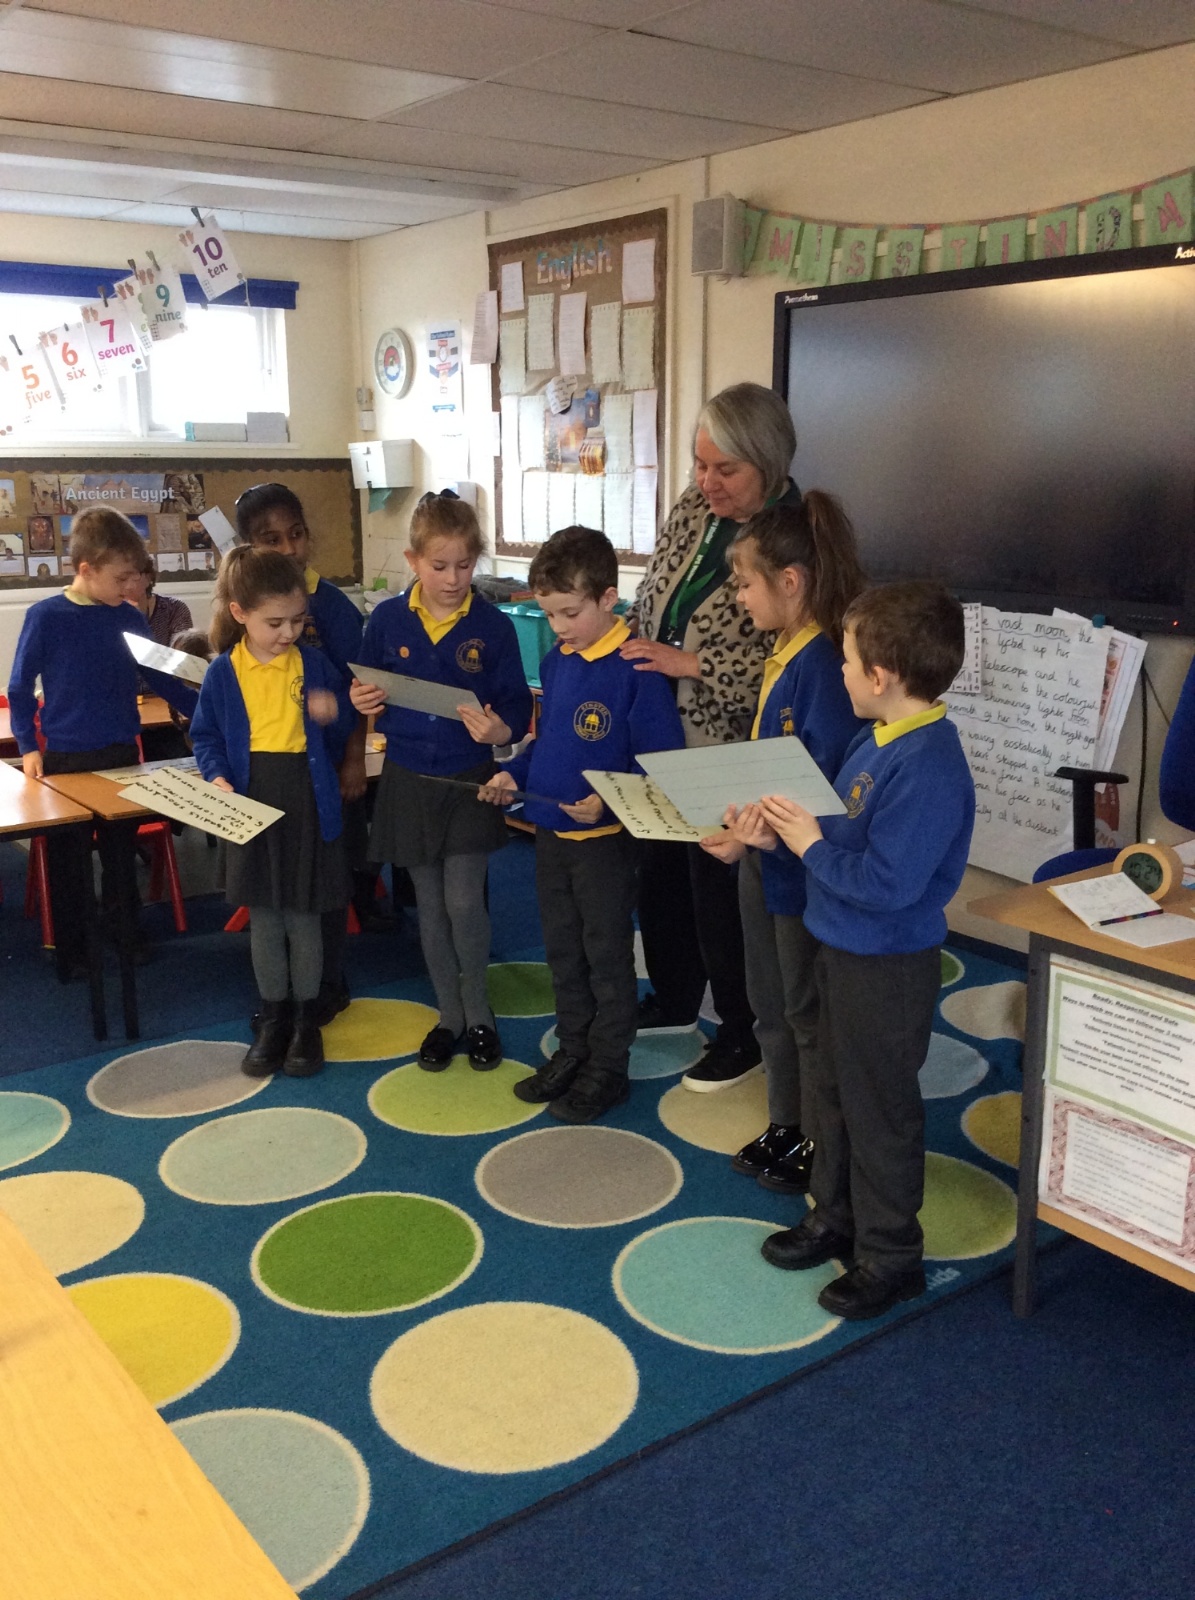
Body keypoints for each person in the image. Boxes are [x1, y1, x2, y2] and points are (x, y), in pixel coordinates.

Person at [755, 582, 974, 1321]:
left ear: (879, 677)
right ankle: (834, 1215)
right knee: (831, 1090)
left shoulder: (929, 764)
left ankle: (891, 1256)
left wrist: (808, 845)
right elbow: (833, 833)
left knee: (879, 1109)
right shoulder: (874, 738)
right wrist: (778, 835)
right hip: (838, 945)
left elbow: (887, 884)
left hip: (886, 965)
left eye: (846, 661)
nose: (840, 672)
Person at [623, 381, 801, 1091]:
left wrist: (691, 664)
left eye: (726, 469)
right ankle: (672, 996)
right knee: (660, 873)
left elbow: (794, 653)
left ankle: (739, 1029)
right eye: (699, 464)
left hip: (727, 739)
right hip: (659, 721)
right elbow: (654, 592)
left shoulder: (793, 535)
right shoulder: (693, 507)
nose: (707, 481)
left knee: (720, 894)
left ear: (769, 463)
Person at [480, 526, 685, 1123]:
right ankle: (574, 1049)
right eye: (549, 614)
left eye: (569, 613)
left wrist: (610, 804)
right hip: (551, 835)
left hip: (605, 846)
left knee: (607, 957)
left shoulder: (637, 669)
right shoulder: (557, 661)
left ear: (608, 598)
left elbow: (659, 765)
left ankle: (608, 1067)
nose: (559, 626)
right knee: (563, 952)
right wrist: (513, 773)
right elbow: (548, 745)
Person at [698, 495, 865, 1192]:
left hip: (800, 874)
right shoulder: (785, 653)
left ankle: (817, 1138)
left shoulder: (824, 663)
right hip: (764, 861)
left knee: (804, 1011)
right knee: (768, 1001)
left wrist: (762, 830)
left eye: (744, 583)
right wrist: (740, 825)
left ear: (790, 582)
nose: (738, 598)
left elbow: (823, 780)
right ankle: (784, 1121)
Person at [350, 491, 532, 1068]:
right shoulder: (386, 620)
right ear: (412, 561)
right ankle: (447, 1015)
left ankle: (478, 1015)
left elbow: (516, 704)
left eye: (464, 565)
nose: (453, 579)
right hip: (409, 777)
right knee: (428, 905)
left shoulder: (493, 627)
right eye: (439, 566)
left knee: (464, 902)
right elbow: (367, 685)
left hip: (469, 778)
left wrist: (501, 730)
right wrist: (362, 699)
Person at [7, 508, 199, 977]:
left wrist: (205, 710)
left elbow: (161, 675)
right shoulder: (45, 617)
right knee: (68, 860)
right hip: (66, 759)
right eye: (121, 578)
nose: (132, 588)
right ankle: (73, 947)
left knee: (119, 856)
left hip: (121, 754)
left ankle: (125, 931)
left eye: (136, 576)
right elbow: (19, 687)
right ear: (86, 569)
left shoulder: (128, 618)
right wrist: (29, 747)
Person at [189, 548, 355, 1078]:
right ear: (240, 613)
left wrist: (334, 712)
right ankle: (274, 1016)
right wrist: (217, 777)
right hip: (250, 802)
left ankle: (307, 1019)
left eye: (298, 621)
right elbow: (206, 737)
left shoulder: (313, 663)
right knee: (264, 917)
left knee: (304, 916)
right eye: (276, 623)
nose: (289, 633)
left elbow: (341, 724)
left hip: (306, 800)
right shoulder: (224, 672)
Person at [234, 481, 374, 1025]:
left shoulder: (330, 605)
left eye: (296, 534)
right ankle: (281, 990)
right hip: (269, 772)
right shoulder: (246, 605)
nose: (289, 548)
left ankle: (326, 983)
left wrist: (355, 758)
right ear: (249, 546)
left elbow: (360, 687)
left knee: (326, 881)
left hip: (330, 767)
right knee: (275, 886)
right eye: (272, 539)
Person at [124, 546, 195, 759]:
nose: (126, 586)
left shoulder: (174, 610)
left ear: (148, 579)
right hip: (128, 711)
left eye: (133, 576)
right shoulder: (110, 615)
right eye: (119, 578)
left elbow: (180, 666)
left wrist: (136, 626)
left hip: (167, 708)